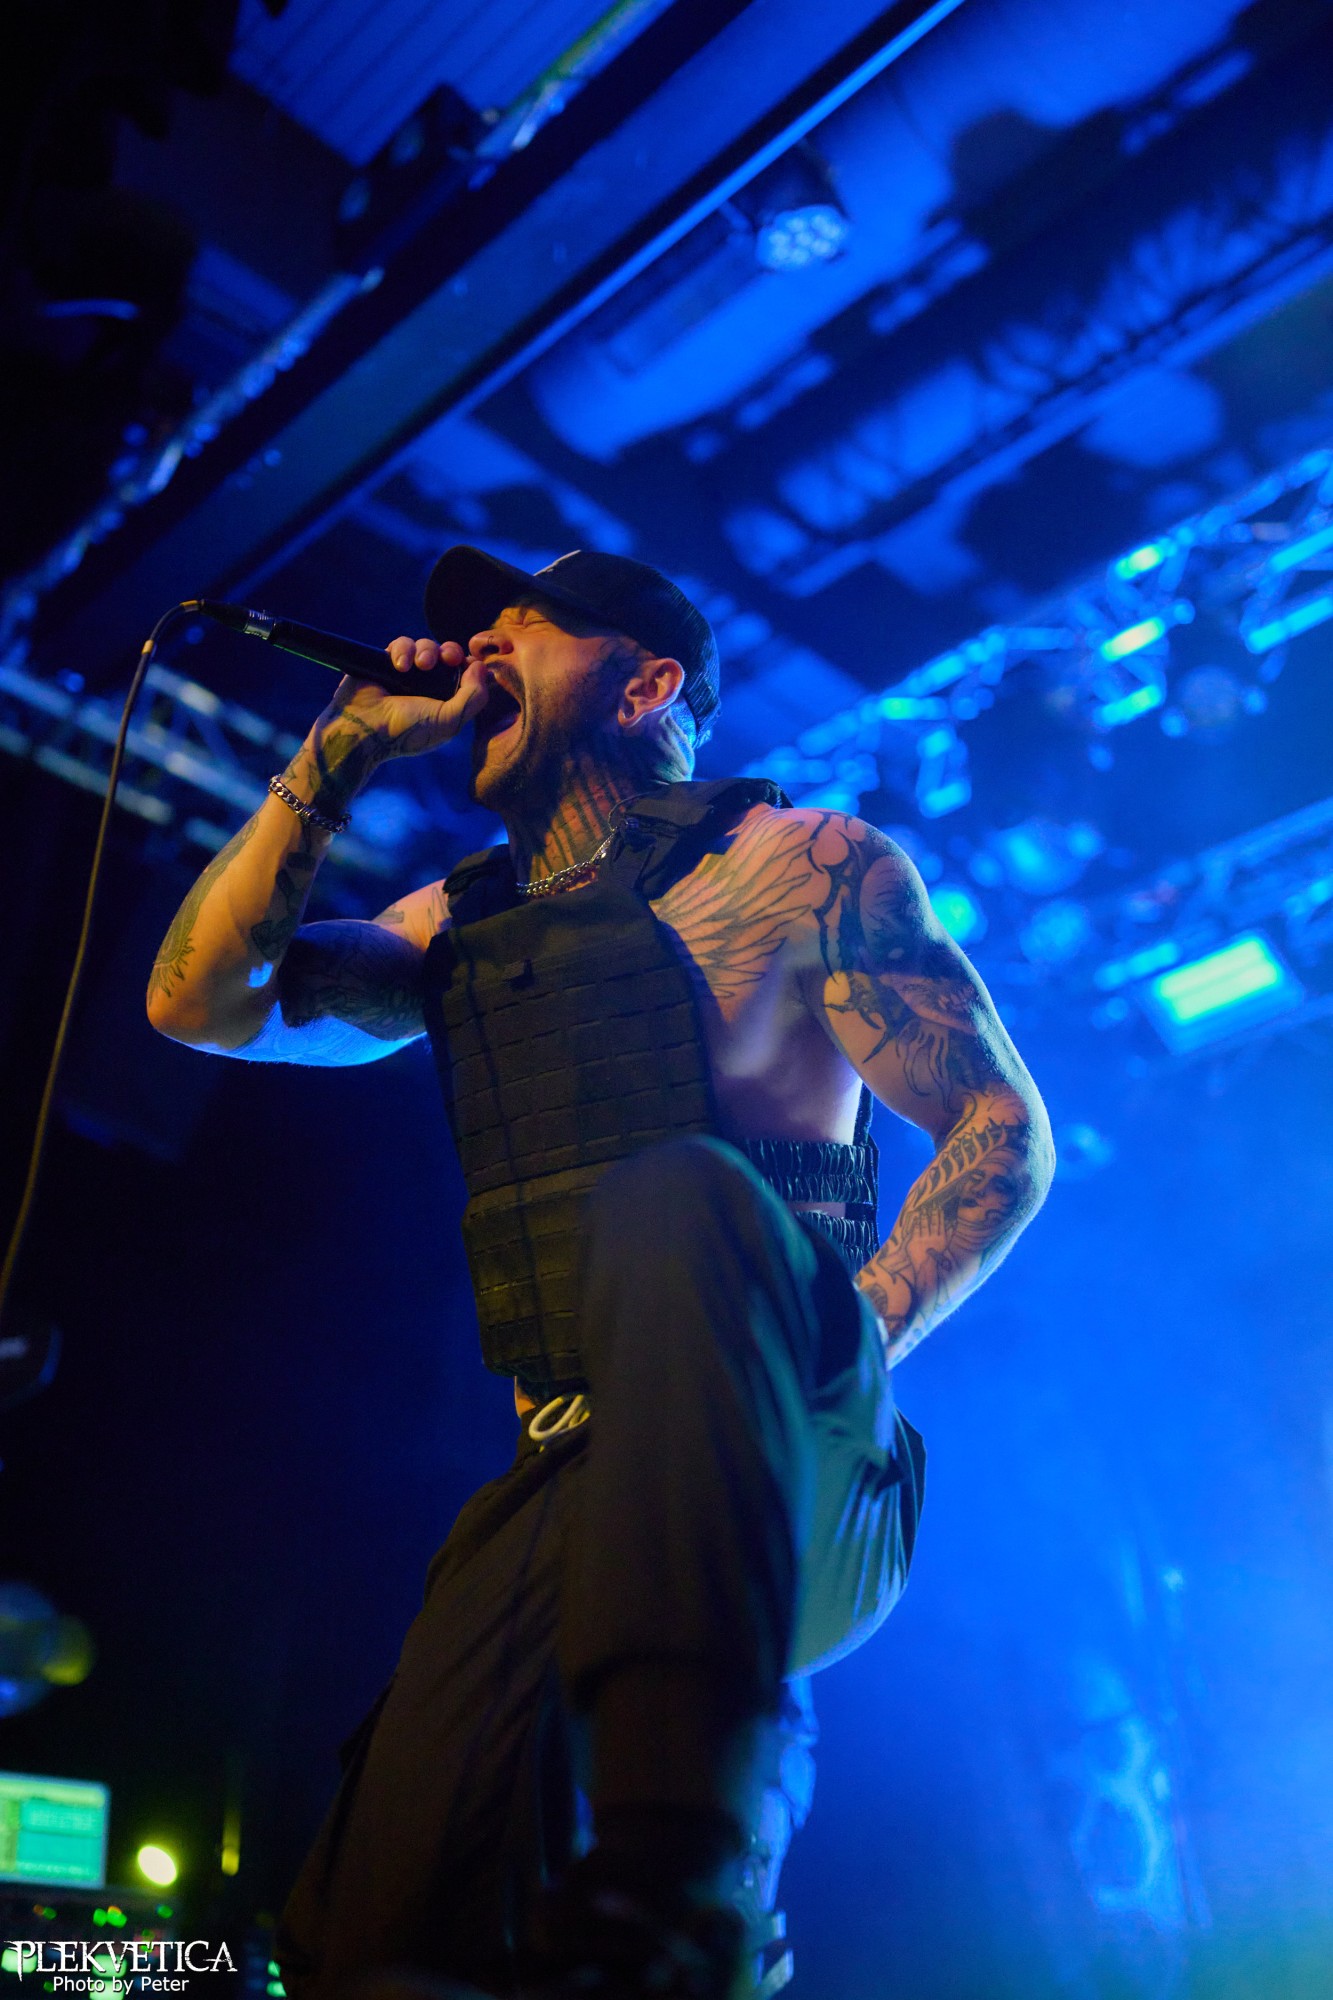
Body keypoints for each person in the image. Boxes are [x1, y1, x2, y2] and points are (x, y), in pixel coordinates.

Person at [147, 547, 1054, 2000]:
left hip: (801, 1448)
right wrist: (337, 754)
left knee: (675, 1195)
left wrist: (828, 1361)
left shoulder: (801, 862)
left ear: (645, 684)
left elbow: (1002, 1130)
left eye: (524, 624)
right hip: (564, 1479)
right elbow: (199, 1004)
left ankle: (697, 1879)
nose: (479, 647)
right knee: (369, 1936)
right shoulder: (458, 926)